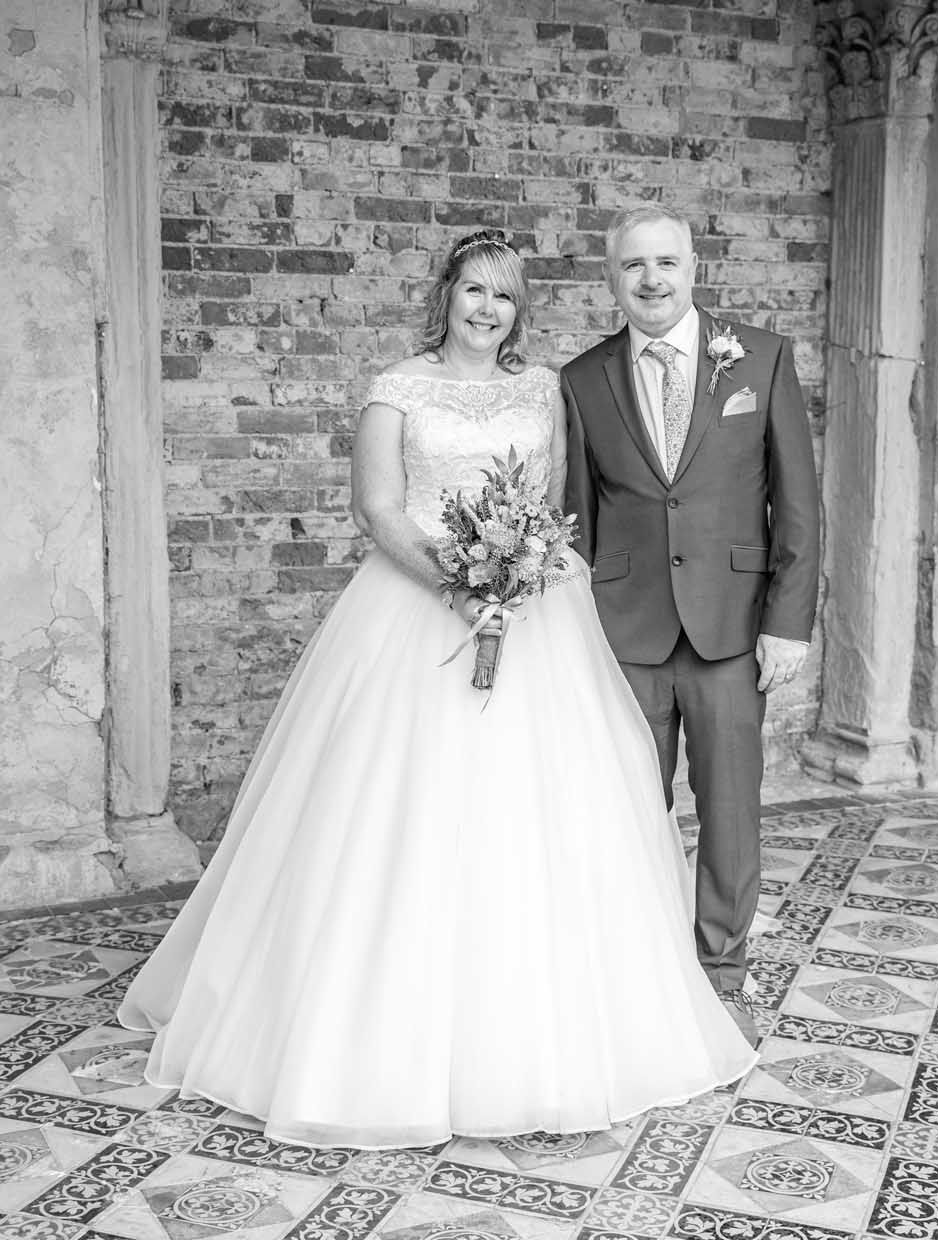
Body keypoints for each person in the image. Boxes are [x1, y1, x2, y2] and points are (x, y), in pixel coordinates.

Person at [118, 227, 756, 1149]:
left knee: (536, 817)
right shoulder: (397, 389)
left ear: (517, 309)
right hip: (414, 613)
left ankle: (549, 1031)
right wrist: (462, 586)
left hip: (536, 618)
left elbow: (564, 498)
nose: (487, 309)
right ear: (445, 294)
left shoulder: (544, 392)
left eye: (504, 296)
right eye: (473, 290)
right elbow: (378, 509)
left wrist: (518, 574)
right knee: (393, 814)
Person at [561, 206, 820, 1048]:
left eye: (666, 262)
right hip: (622, 632)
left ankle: (720, 974)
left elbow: (798, 506)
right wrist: (575, 631)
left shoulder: (762, 358)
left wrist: (787, 625)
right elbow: (578, 519)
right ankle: (628, 977)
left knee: (730, 811)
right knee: (623, 811)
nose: (651, 280)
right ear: (612, 278)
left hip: (731, 632)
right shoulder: (583, 379)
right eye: (633, 266)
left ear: (693, 268)